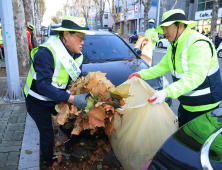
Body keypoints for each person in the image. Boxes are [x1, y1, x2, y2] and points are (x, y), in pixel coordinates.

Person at [128, 9, 222, 127]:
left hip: (205, 107)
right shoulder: (173, 46)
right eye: (163, 28)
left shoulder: (198, 44)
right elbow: (161, 67)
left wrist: (167, 92)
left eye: (167, 27)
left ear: (181, 25)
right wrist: (141, 75)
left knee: (196, 143)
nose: (164, 32)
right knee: (181, 137)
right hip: (186, 103)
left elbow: (195, 77)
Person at [24, 16, 94, 167]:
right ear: (66, 35)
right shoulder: (46, 53)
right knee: (47, 132)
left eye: (84, 38)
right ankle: (49, 161)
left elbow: (76, 78)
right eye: (80, 37)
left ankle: (69, 148)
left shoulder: (78, 55)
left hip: (57, 97)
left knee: (72, 122)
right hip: (37, 100)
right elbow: (43, 86)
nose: (83, 42)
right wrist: (72, 99)